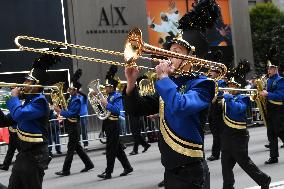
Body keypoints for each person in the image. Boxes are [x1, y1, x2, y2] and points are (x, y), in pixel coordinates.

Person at [123, 35, 215, 188]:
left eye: (177, 51)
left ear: (189, 58)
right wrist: (131, 82)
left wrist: (164, 78)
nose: (170, 55)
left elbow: (181, 107)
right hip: (170, 167)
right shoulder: (169, 85)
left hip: (191, 167)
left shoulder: (203, 84)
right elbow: (136, 109)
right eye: (169, 52)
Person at [0, 52, 58, 189]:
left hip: (35, 156)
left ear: (37, 85)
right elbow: (3, 121)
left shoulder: (40, 102)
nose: (23, 83)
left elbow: (19, 115)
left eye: (28, 81)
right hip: (24, 155)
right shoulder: (27, 101)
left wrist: (14, 98)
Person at [221, 78, 271, 189]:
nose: (230, 87)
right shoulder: (226, 97)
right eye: (229, 84)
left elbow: (237, 110)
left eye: (233, 85)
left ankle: (264, 180)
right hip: (227, 135)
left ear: (238, 87)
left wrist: (228, 98)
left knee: (244, 162)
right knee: (225, 164)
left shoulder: (243, 98)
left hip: (238, 135)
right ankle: (228, 187)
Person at [54, 69, 94, 176]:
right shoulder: (71, 99)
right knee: (77, 148)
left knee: (70, 149)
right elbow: (68, 111)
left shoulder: (77, 100)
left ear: (75, 90)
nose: (68, 90)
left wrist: (60, 111)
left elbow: (72, 113)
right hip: (71, 125)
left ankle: (66, 170)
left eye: (71, 89)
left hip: (74, 126)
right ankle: (89, 164)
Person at [97, 65, 133, 179]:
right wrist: (98, 101)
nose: (105, 88)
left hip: (114, 124)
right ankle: (127, 167)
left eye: (107, 86)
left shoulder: (117, 96)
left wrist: (106, 103)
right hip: (108, 124)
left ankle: (108, 172)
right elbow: (104, 110)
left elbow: (117, 111)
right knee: (117, 149)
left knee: (110, 150)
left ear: (112, 87)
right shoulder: (108, 96)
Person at [260, 61, 284, 164]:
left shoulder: (280, 80)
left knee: (280, 131)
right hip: (270, 108)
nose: (269, 70)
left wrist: (267, 94)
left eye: (271, 68)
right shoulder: (269, 80)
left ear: (276, 69)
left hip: (278, 108)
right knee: (271, 133)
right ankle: (273, 157)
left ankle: (274, 156)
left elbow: (281, 96)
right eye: (269, 68)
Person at [207, 69, 227, 161]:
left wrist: (215, 97)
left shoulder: (221, 82)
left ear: (218, 73)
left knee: (217, 133)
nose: (210, 72)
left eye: (213, 71)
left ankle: (215, 154)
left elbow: (222, 94)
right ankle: (225, 149)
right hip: (211, 108)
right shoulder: (210, 81)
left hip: (217, 109)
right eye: (210, 71)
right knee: (215, 131)